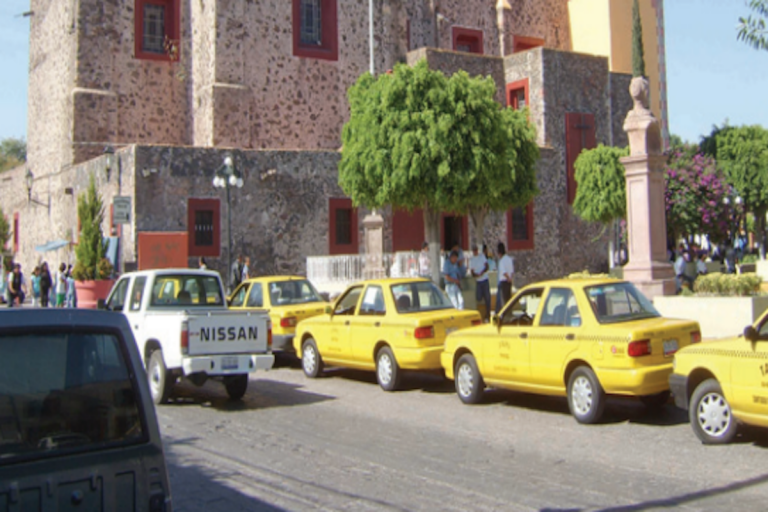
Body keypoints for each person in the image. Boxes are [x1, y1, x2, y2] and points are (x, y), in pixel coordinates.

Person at [470, 244, 491, 321]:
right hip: (478, 281)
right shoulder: (472, 260)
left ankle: (487, 315)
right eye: (474, 250)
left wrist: (482, 273)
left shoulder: (482, 256)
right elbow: (472, 272)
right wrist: (476, 275)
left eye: (476, 250)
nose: (475, 251)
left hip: (485, 279)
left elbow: (487, 266)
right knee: (478, 298)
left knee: (488, 299)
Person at [496, 242, 514, 314]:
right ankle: (509, 313)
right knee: (508, 299)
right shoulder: (509, 259)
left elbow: (503, 272)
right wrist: (510, 278)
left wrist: (507, 278)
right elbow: (512, 271)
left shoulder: (501, 261)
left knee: (502, 300)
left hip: (503, 282)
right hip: (509, 282)